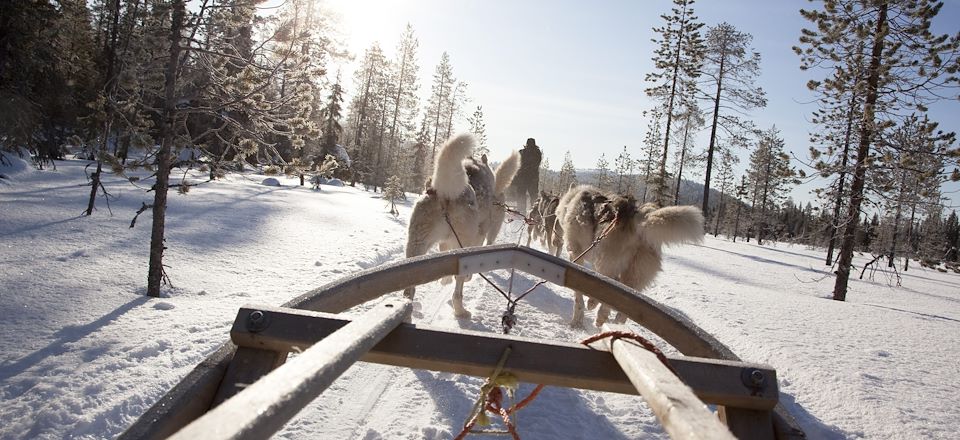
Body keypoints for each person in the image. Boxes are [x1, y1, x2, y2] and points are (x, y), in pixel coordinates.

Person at [511, 138, 542, 212]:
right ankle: (532, 211)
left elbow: (517, 163)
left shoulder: (523, 152)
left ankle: (525, 212)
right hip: (530, 178)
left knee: (524, 196)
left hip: (524, 178)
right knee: (531, 196)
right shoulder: (537, 153)